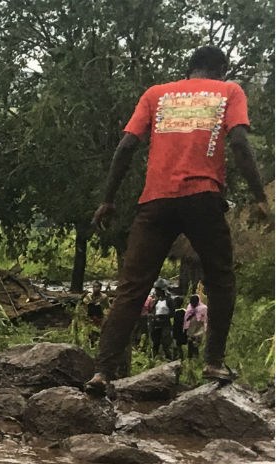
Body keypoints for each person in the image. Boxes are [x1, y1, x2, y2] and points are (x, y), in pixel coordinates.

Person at [86, 46, 271, 395]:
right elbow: (240, 145)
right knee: (220, 279)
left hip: (155, 200)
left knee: (132, 287)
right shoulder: (229, 91)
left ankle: (102, 372)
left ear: (189, 69)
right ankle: (213, 361)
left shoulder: (156, 94)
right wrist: (260, 198)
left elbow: (126, 147)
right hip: (203, 197)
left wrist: (107, 200)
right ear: (221, 69)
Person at [147, 284, 176, 359]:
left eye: (157, 290)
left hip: (165, 323)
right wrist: (152, 316)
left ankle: (169, 358)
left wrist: (163, 317)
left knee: (166, 341)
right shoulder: (157, 301)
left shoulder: (169, 300)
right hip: (156, 323)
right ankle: (154, 358)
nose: (155, 292)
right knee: (155, 342)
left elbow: (172, 313)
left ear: (161, 290)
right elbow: (153, 310)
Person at [81, 281, 109, 347]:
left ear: (100, 288)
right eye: (94, 287)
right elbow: (84, 305)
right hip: (90, 316)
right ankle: (91, 344)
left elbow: (107, 307)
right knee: (90, 332)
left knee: (101, 331)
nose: (95, 288)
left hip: (100, 316)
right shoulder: (89, 296)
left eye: (97, 287)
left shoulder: (104, 297)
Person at [184, 294, 208, 358]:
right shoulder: (189, 307)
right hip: (191, 327)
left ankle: (196, 357)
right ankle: (189, 357)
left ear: (198, 302)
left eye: (194, 303)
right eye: (192, 303)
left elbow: (205, 319)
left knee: (196, 343)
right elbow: (186, 318)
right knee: (190, 342)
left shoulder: (203, 308)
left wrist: (205, 328)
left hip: (199, 327)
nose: (193, 304)